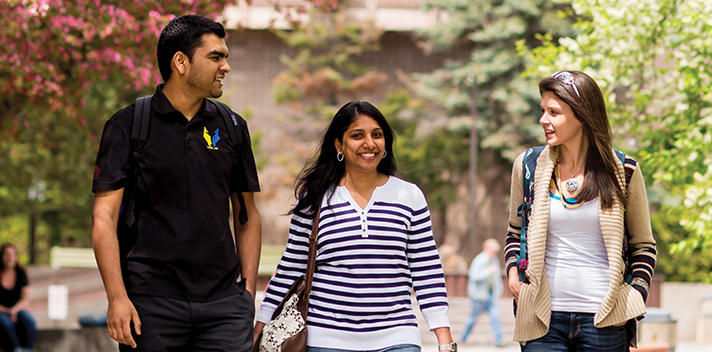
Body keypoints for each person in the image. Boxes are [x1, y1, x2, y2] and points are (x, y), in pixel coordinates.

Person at [90, 14, 261, 351]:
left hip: (224, 307)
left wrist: (247, 293)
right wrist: (117, 297)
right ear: (180, 62)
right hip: (150, 305)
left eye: (225, 57)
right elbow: (103, 218)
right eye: (215, 57)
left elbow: (247, 214)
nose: (225, 66)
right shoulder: (127, 126)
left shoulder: (232, 127)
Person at [255, 101, 457, 352]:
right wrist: (260, 326)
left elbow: (426, 270)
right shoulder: (316, 197)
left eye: (377, 135)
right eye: (357, 135)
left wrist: (445, 341)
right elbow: (291, 267)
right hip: (326, 340)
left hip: (398, 338)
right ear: (339, 144)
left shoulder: (409, 196)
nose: (369, 143)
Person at [503, 70, 657, 352]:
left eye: (554, 112)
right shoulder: (527, 166)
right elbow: (515, 233)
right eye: (542, 111)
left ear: (582, 115)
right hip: (542, 320)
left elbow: (644, 245)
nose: (543, 120)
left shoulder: (624, 170)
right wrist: (513, 274)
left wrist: (635, 294)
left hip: (605, 321)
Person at [0, 244, 36, 352]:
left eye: (13, 255)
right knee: (5, 322)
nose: (10, 258)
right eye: (7, 255)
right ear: (1, 256)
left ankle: (27, 349)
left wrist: (14, 310)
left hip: (15, 311)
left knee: (29, 320)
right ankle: (16, 349)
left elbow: (26, 300)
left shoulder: (21, 273)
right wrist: (6, 311)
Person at [460, 239, 505, 346]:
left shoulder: (494, 260)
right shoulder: (479, 260)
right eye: (493, 250)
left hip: (490, 294)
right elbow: (475, 276)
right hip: (478, 296)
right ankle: (463, 338)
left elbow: (496, 278)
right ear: (487, 249)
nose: (495, 253)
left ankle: (499, 341)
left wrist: (499, 290)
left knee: (496, 317)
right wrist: (488, 271)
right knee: (472, 318)